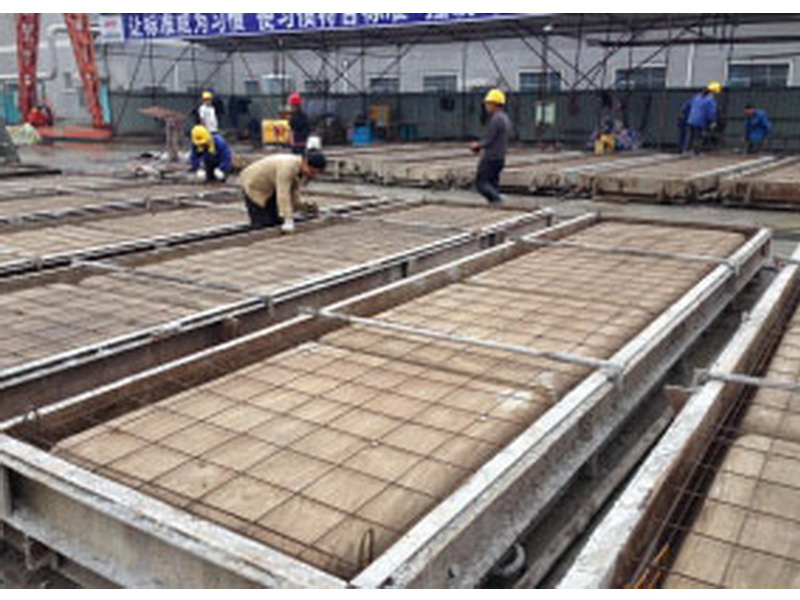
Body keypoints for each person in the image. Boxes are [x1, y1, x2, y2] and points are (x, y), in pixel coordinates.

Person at [239, 150, 326, 233]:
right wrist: (288, 219)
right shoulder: (288, 167)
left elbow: (294, 197)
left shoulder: (298, 170)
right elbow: (283, 194)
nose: (312, 175)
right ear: (305, 162)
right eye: (312, 172)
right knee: (262, 225)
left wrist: (307, 207)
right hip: (254, 184)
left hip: (271, 187)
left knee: (276, 220)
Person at [470, 88, 512, 204]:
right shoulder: (504, 118)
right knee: (493, 184)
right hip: (500, 158)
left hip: (491, 158)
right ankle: (495, 204)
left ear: (495, 104)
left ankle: (498, 201)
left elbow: (489, 140)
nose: (486, 106)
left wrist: (477, 145)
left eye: (488, 104)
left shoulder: (496, 119)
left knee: (481, 184)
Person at [686, 81, 722, 154]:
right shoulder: (710, 100)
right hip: (700, 120)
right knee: (699, 136)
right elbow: (711, 112)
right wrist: (713, 121)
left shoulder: (696, 97)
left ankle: (687, 149)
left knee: (691, 135)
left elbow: (688, 106)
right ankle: (696, 151)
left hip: (691, 119)